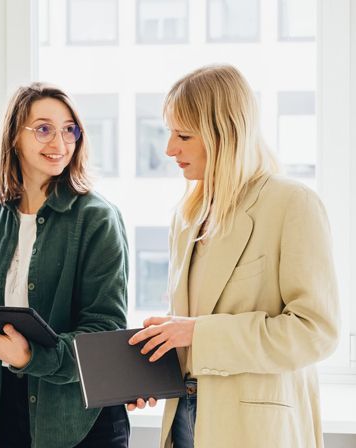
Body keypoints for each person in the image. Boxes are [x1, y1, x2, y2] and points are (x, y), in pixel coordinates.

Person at [128, 65, 340, 448]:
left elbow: (316, 332)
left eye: (184, 135)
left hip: (255, 429)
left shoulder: (292, 204)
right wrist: (149, 376)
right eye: (169, 133)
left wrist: (197, 331)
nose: (169, 149)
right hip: (185, 420)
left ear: (224, 134)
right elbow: (190, 337)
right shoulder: (186, 216)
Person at [0, 82, 130, 447]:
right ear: (15, 136)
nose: (59, 143)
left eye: (69, 130)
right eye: (43, 129)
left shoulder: (97, 218)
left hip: (79, 420)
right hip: (6, 412)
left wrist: (29, 356)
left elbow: (104, 332)